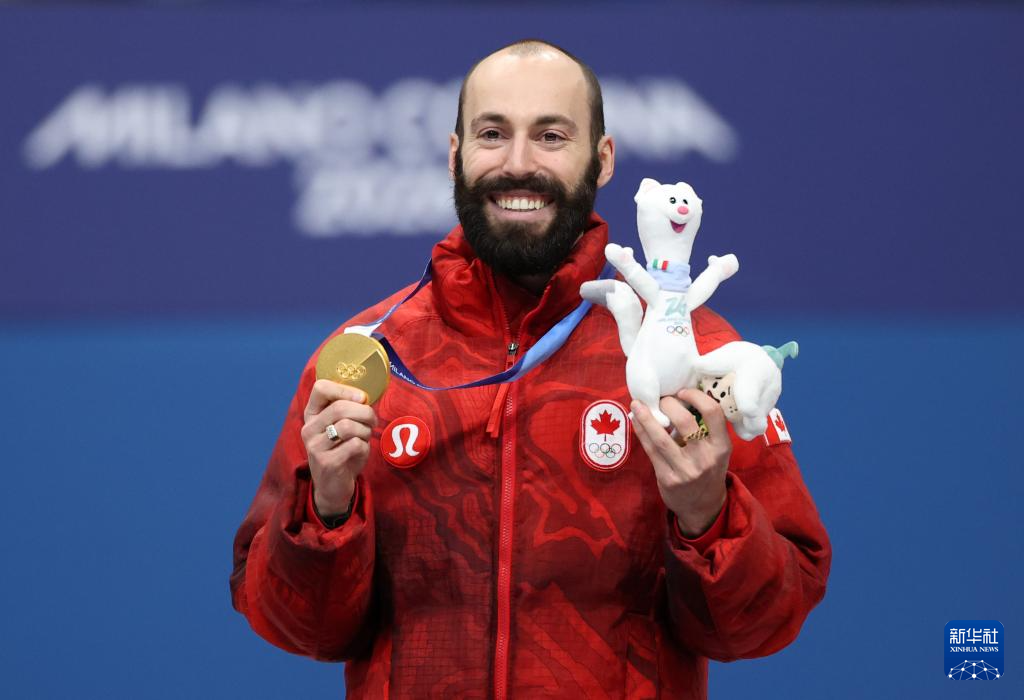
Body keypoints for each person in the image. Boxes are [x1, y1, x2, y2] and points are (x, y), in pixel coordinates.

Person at [231, 40, 831, 699]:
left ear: (602, 159)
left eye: (551, 136)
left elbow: (768, 621)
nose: (518, 164)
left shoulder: (696, 357)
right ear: (455, 154)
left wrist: (707, 514)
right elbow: (296, 627)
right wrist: (326, 510)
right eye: (493, 134)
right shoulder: (369, 357)